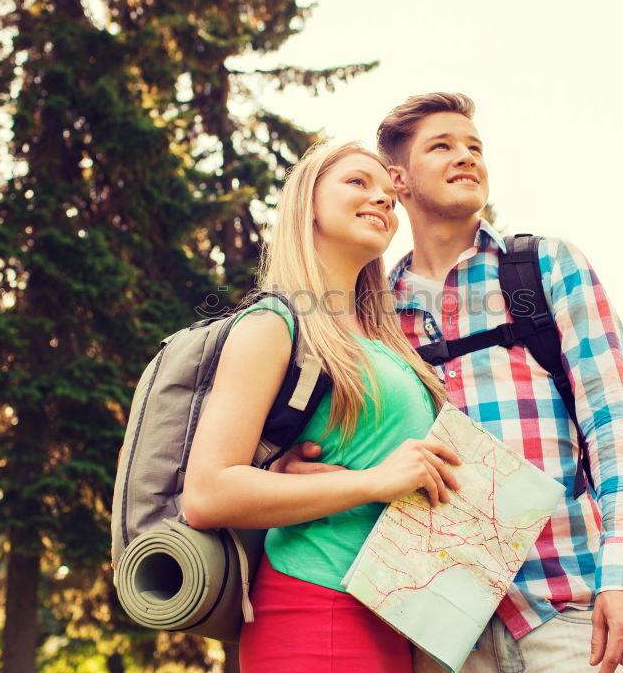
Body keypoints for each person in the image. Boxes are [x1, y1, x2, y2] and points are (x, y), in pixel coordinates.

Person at [286, 94, 623, 673]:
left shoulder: (545, 267)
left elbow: (614, 419)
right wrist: (299, 470)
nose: (466, 157)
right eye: (441, 146)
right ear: (399, 180)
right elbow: (353, 442)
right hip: (439, 625)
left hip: (569, 606)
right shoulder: (374, 311)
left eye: (474, 147)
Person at [180, 140, 461, 673]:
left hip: (394, 614)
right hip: (319, 610)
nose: (382, 199)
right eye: (358, 183)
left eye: (390, 197)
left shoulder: (383, 341)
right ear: (308, 201)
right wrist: (375, 481)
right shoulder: (274, 323)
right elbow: (207, 492)